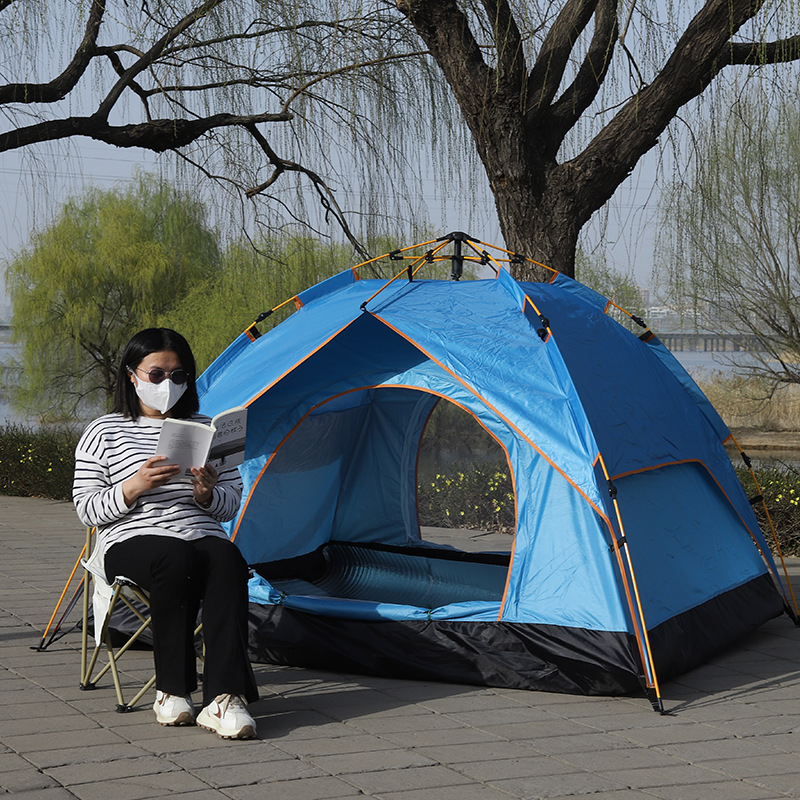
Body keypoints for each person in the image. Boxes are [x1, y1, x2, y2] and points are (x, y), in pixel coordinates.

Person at [73, 328, 258, 739]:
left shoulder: (207, 429)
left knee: (227, 557)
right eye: (156, 374)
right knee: (174, 556)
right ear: (132, 375)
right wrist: (133, 487)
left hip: (199, 533)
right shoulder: (104, 431)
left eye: (178, 376)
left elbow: (230, 505)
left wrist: (207, 494)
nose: (167, 385)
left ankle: (224, 697)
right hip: (130, 540)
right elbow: (86, 509)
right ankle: (172, 690)